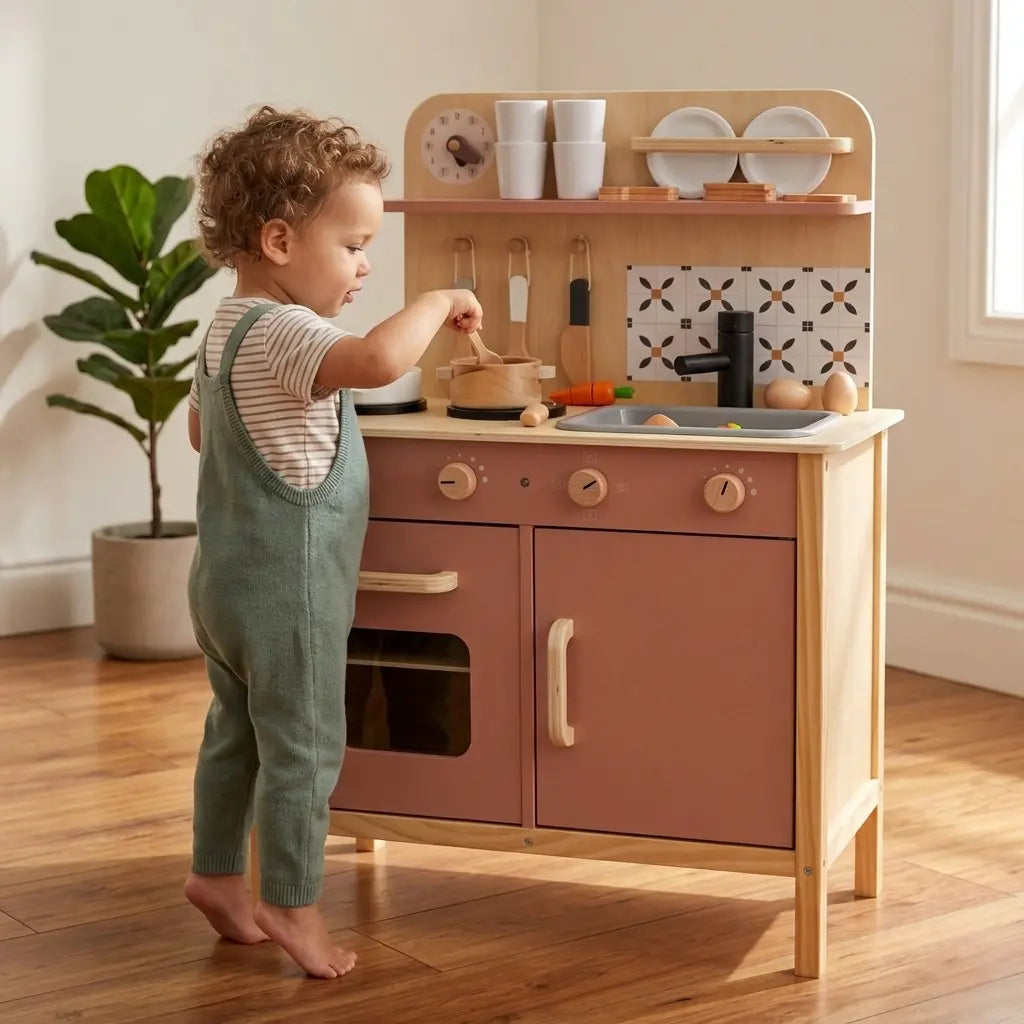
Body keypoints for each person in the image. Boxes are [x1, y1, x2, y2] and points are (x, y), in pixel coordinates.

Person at [181, 105, 483, 980]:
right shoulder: (287, 330)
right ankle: (292, 902)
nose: (362, 267)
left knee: (234, 734)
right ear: (278, 241)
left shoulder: (223, 329)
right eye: (353, 245)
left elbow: (209, 435)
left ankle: (215, 874)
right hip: (289, 588)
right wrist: (436, 297)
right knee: (305, 745)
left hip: (221, 586)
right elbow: (379, 362)